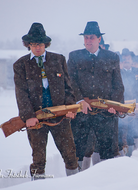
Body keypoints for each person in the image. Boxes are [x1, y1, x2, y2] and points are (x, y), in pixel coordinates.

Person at [13, 23, 79, 179]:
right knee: (38, 159)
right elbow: (21, 93)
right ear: (28, 45)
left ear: (45, 44)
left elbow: (68, 87)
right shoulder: (20, 65)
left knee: (70, 155)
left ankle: (76, 184)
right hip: (36, 117)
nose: (37, 48)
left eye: (40, 44)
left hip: (60, 115)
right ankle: (37, 185)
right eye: (34, 44)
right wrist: (28, 115)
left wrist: (70, 108)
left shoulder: (58, 59)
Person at [67, 21, 124, 171]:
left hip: (106, 114)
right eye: (86, 37)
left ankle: (106, 181)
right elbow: (70, 81)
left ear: (99, 39)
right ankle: (75, 183)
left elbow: (117, 84)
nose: (88, 40)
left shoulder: (112, 57)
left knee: (108, 150)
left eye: (91, 37)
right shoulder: (74, 56)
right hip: (81, 112)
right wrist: (80, 100)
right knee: (77, 150)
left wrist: (114, 106)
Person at [118, 49, 138, 156]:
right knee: (120, 131)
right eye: (123, 60)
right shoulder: (117, 73)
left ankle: (131, 155)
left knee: (131, 131)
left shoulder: (133, 74)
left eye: (127, 59)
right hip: (120, 105)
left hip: (131, 105)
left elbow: (136, 90)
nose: (125, 62)